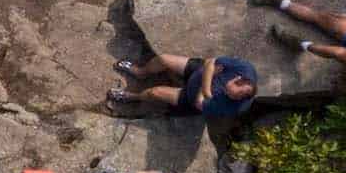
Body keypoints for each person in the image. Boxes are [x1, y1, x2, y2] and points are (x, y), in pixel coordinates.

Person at [108, 52, 256, 118]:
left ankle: (133, 97)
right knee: (163, 59)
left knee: (154, 92)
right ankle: (141, 72)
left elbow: (199, 103)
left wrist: (208, 77)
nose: (227, 94)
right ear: (238, 78)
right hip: (198, 72)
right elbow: (210, 62)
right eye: (228, 90)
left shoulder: (233, 107)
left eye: (231, 96)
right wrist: (207, 90)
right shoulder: (245, 68)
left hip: (191, 96)